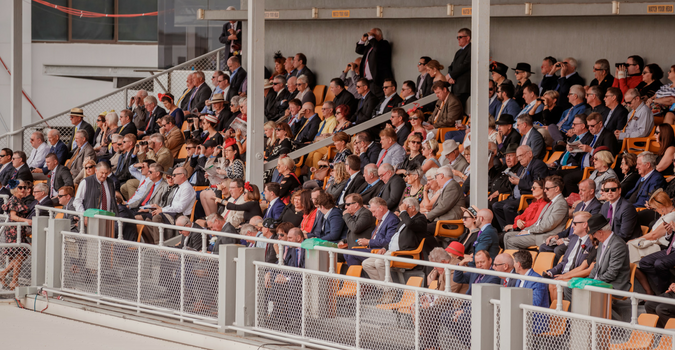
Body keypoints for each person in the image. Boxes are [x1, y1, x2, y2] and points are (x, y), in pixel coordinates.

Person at [361, 198, 425, 295]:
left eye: (404, 207)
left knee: (379, 262)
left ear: (412, 208)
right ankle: (386, 289)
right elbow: (394, 237)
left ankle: (389, 292)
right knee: (366, 263)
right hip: (391, 251)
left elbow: (410, 224)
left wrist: (403, 212)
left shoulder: (420, 219)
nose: (401, 210)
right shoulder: (404, 220)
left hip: (403, 252)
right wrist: (384, 248)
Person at [504, 175, 569, 249]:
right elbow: (538, 222)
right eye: (544, 188)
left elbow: (549, 225)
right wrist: (526, 230)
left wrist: (529, 231)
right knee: (507, 235)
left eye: (547, 189)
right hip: (539, 233)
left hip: (545, 236)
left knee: (511, 241)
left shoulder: (560, 204)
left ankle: (519, 260)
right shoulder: (551, 203)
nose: (544, 191)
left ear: (557, 189)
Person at [493, 145, 548, 230]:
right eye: (518, 157)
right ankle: (505, 229)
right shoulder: (521, 168)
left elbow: (539, 185)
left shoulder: (538, 165)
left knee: (507, 207)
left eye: (521, 156)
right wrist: (512, 180)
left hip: (527, 197)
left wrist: (519, 182)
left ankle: (515, 229)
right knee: (496, 206)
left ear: (530, 154)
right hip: (515, 197)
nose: (519, 159)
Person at [142, 167, 196, 244]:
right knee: (148, 219)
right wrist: (160, 209)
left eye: (174, 175)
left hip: (180, 215)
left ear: (182, 175)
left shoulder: (186, 188)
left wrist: (162, 210)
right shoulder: (180, 187)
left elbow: (180, 208)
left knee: (157, 218)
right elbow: (172, 205)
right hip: (173, 213)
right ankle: (156, 243)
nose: (172, 177)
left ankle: (160, 246)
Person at [0, 179, 32, 289]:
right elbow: (13, 216)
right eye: (21, 188)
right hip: (14, 230)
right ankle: (14, 281)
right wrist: (25, 221)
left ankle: (3, 273)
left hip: (18, 230)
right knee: (20, 254)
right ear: (15, 189)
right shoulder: (14, 199)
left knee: (22, 254)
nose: (24, 190)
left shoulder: (19, 199)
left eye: (25, 187)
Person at [350, 197, 400, 267]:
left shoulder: (392, 220)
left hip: (380, 251)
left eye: (374, 211)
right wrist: (367, 243)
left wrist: (369, 242)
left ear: (381, 208)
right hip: (373, 249)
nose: (373, 215)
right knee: (348, 253)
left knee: (350, 254)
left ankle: (359, 277)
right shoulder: (381, 219)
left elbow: (388, 241)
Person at [587, 213, 631, 291]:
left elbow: (612, 273)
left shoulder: (617, 245)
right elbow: (596, 266)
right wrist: (589, 280)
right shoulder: (601, 242)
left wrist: (593, 283)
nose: (593, 236)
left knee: (576, 289)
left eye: (593, 233)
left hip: (613, 284)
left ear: (600, 232)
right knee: (569, 288)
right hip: (600, 282)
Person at [355, 28, 392, 99]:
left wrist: (371, 38)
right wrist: (362, 40)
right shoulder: (370, 46)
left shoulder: (384, 44)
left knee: (377, 99)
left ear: (379, 35)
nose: (370, 36)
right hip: (367, 82)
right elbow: (358, 50)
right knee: (368, 100)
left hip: (377, 80)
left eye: (372, 35)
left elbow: (377, 49)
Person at [425, 165, 463, 233]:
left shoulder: (452, 186)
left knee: (421, 229)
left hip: (449, 223)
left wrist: (427, 216)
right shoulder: (449, 186)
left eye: (436, 177)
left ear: (441, 176)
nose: (436, 180)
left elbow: (443, 206)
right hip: (442, 220)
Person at [446, 28, 472, 107]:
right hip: (456, 85)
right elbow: (452, 65)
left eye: (460, 37)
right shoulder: (459, 51)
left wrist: (451, 75)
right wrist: (450, 76)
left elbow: (465, 65)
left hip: (463, 87)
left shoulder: (471, 49)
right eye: (457, 37)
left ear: (468, 38)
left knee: (459, 109)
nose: (458, 39)